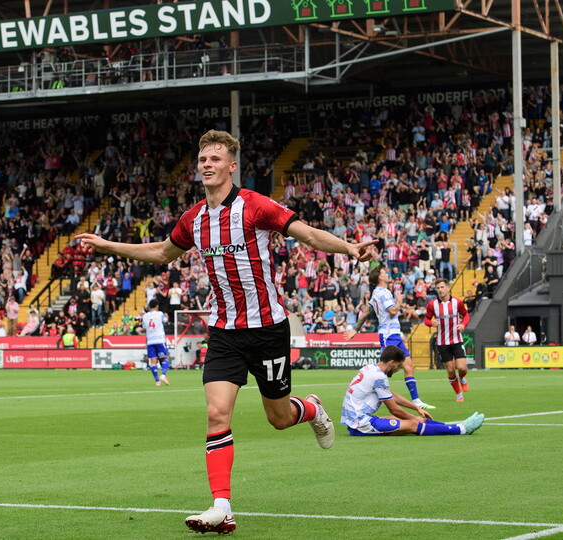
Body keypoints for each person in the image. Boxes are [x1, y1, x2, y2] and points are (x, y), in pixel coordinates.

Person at [76, 130, 378, 534]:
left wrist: (350, 248)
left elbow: (307, 233)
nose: (206, 164)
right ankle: (222, 506)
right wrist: (109, 245)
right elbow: (162, 253)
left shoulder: (255, 206)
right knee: (217, 414)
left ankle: (310, 410)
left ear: (231, 165)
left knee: (278, 417)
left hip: (268, 329)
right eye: (202, 158)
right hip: (223, 332)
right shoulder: (194, 219)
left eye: (215, 159)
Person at [339, 345, 485, 436]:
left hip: (357, 421)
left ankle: (457, 426)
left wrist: (416, 408)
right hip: (361, 424)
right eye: (398, 366)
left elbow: (391, 395)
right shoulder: (379, 377)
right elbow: (394, 409)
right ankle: (461, 430)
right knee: (412, 424)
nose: (397, 370)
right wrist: (413, 417)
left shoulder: (370, 368)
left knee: (406, 420)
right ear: (391, 363)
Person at [346, 265, 435, 410]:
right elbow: (393, 311)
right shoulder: (384, 293)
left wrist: (356, 329)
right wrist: (399, 300)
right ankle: (367, 394)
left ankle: (417, 401)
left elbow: (366, 312)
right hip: (389, 335)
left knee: (408, 366)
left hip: (393, 334)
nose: (387, 273)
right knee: (384, 369)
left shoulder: (375, 292)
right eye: (384, 272)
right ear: (380, 277)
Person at [423, 279, 470, 402]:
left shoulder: (457, 303)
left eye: (442, 287)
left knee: (462, 368)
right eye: (438, 288)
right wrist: (431, 323)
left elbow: (466, 315)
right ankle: (459, 394)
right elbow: (426, 320)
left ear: (448, 288)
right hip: (442, 342)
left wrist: (463, 325)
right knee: (450, 370)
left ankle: (462, 377)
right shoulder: (432, 305)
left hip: (456, 340)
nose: (440, 290)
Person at [142, 299, 170, 386]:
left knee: (153, 362)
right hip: (159, 339)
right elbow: (165, 321)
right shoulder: (159, 314)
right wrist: (167, 316)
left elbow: (144, 327)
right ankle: (163, 375)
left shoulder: (145, 316)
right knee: (164, 358)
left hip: (150, 340)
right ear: (157, 305)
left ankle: (157, 381)